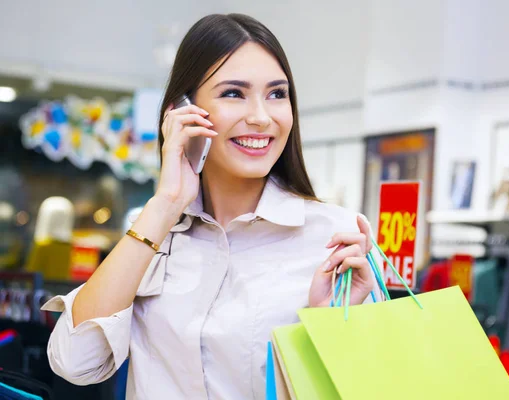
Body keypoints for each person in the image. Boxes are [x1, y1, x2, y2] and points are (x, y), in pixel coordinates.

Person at [42, 13, 378, 399]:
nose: (261, 117)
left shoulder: (337, 238)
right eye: (233, 93)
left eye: (277, 94)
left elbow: (359, 387)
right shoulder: (155, 234)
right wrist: (165, 203)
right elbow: (75, 362)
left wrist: (324, 329)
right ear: (182, 112)